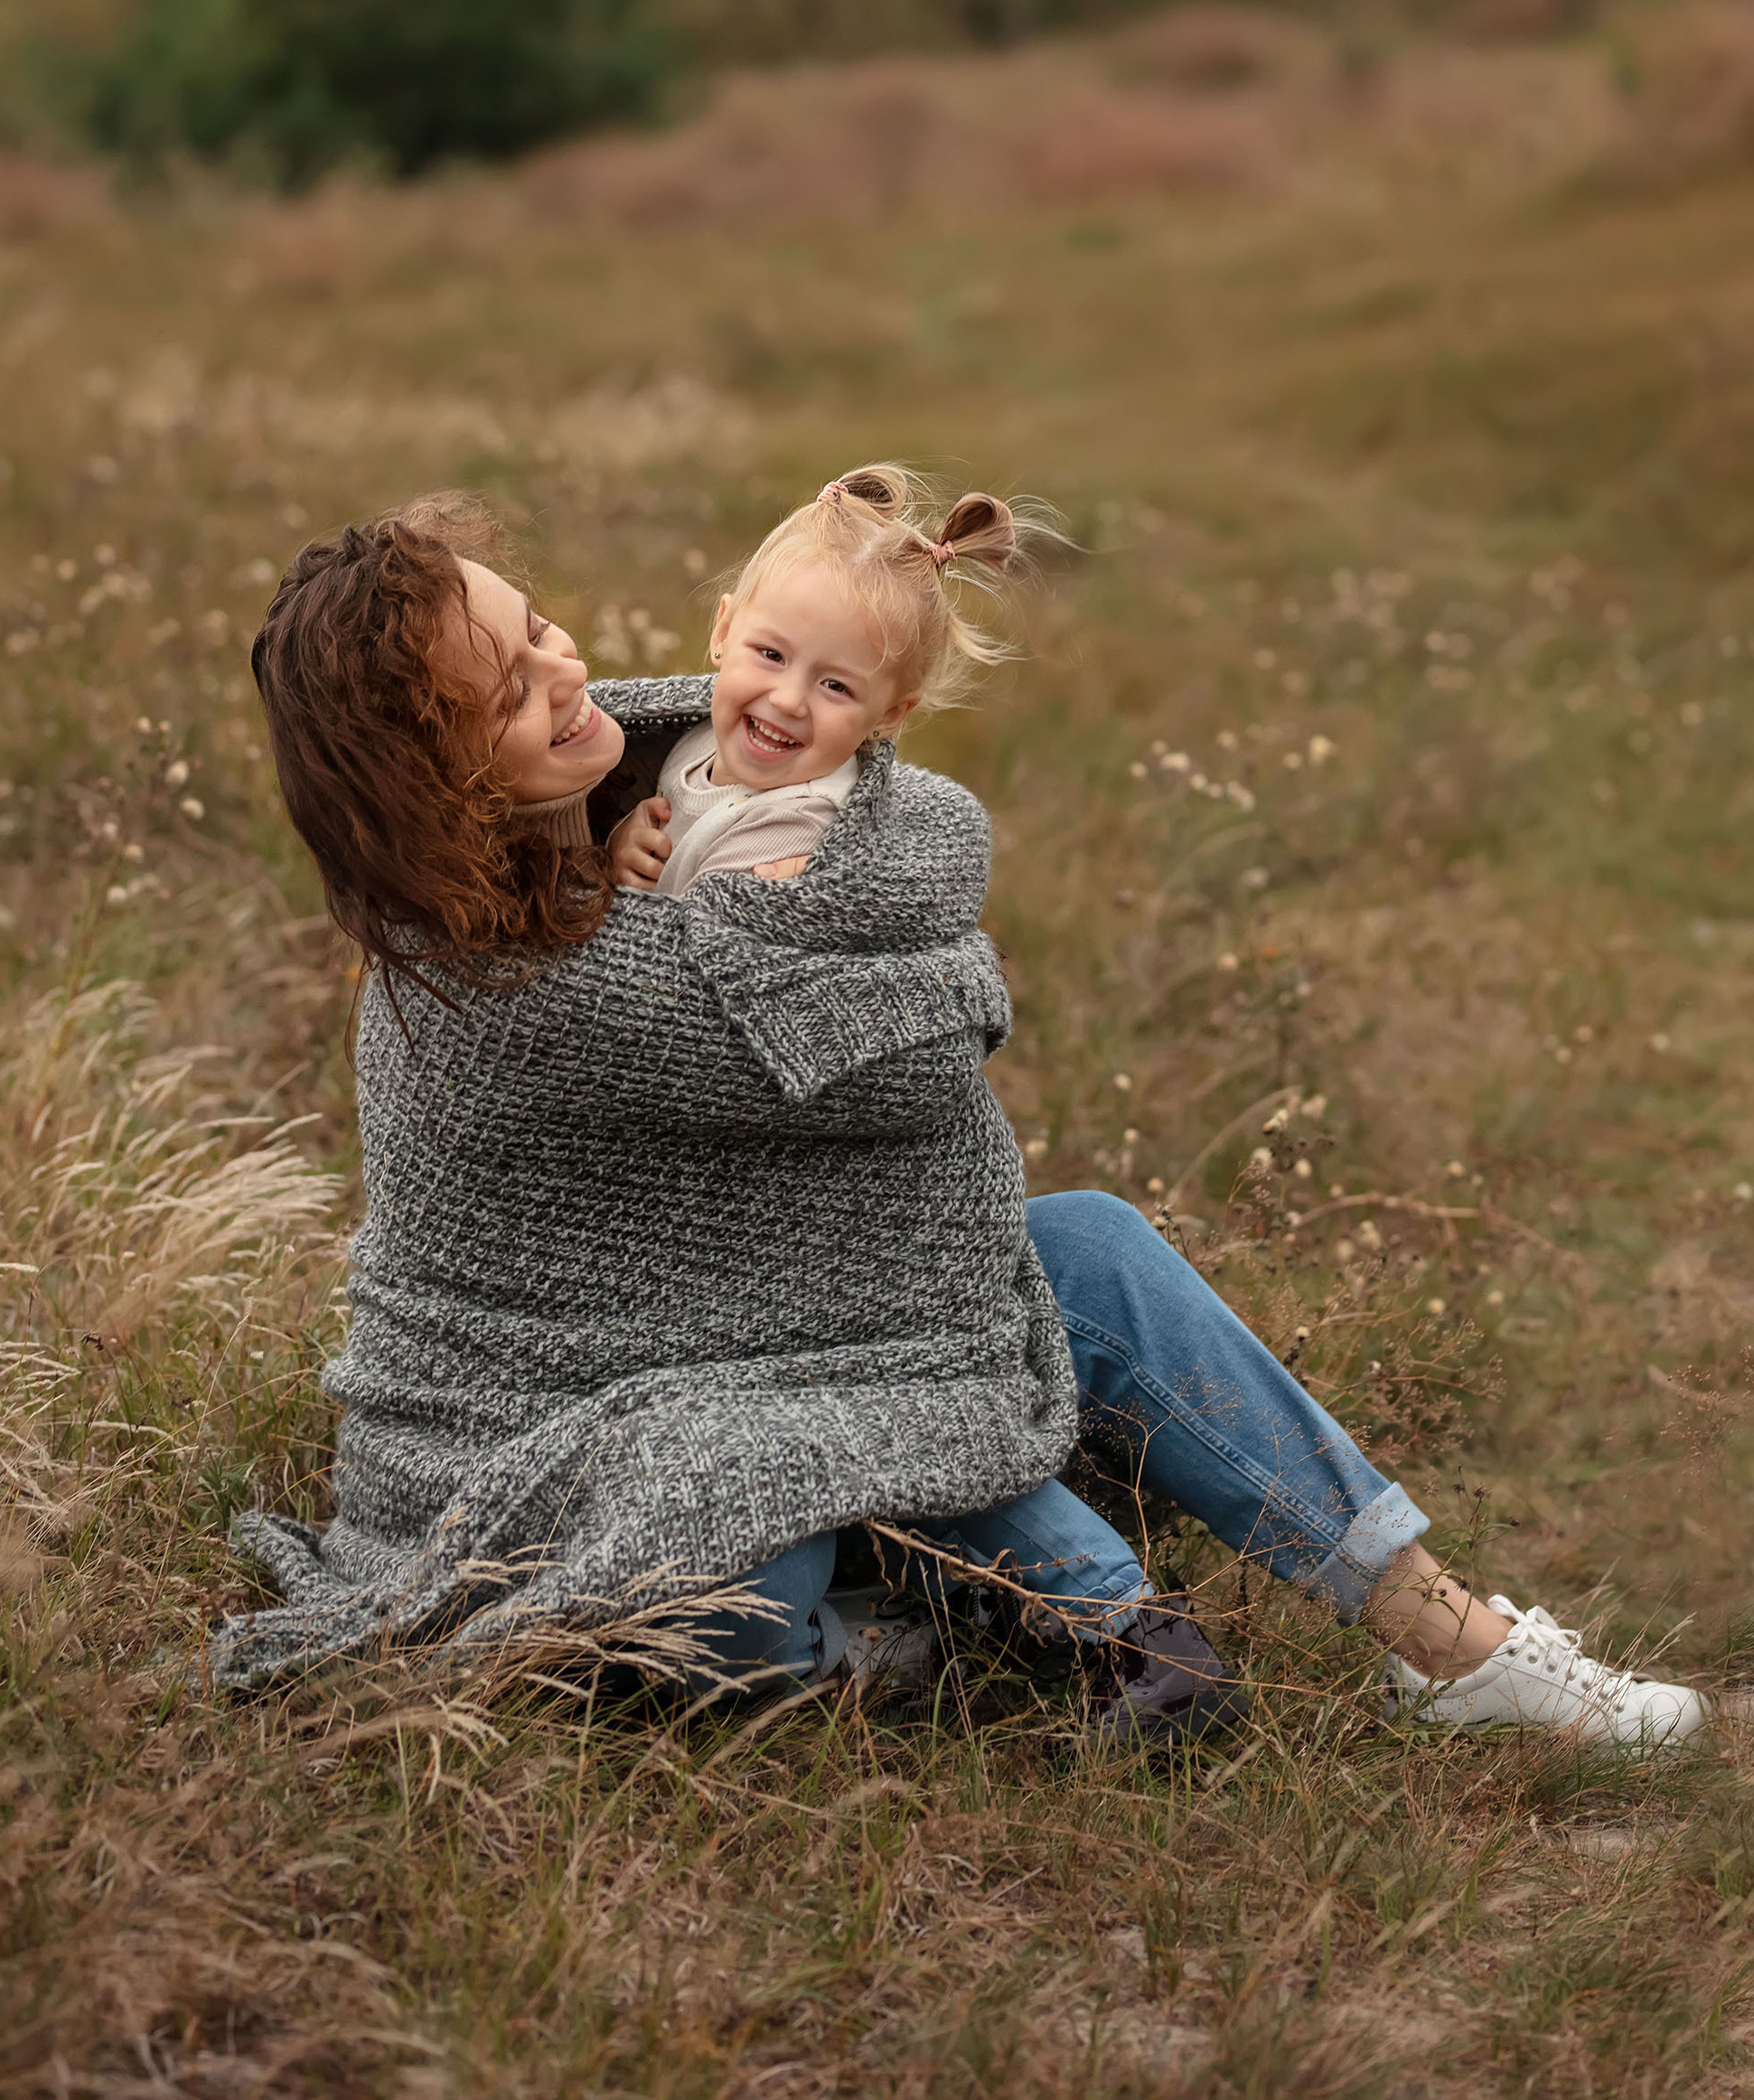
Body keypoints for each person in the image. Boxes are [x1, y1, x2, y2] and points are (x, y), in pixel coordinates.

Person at [219, 492, 1707, 1756]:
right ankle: (940, 1634)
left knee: (1088, 1255)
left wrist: (772, 848)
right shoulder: (510, 984)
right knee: (731, 1585)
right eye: (508, 688)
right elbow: (921, 1069)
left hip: (751, 1362)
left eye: (538, 624)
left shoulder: (633, 782)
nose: (568, 669)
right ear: (430, 783)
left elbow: (863, 774)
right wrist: (942, 959)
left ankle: (1454, 1647)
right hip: (560, 1439)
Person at [606, 464, 1025, 899]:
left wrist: (612, 884)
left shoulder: (793, 827)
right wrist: (620, 843)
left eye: (836, 686)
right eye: (772, 655)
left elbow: (690, 947)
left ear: (889, 715)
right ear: (724, 632)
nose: (788, 700)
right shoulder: (698, 738)